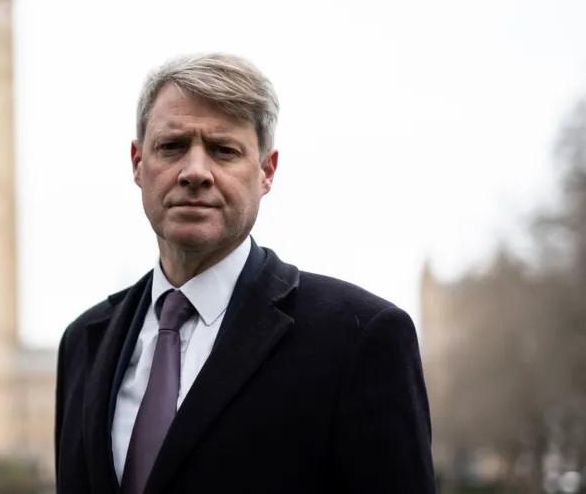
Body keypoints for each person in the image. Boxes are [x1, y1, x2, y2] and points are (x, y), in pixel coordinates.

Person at [53, 53, 435, 493]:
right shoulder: (84, 343)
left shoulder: (358, 338)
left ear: (266, 171)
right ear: (138, 162)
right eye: (172, 146)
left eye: (224, 150)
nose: (195, 172)